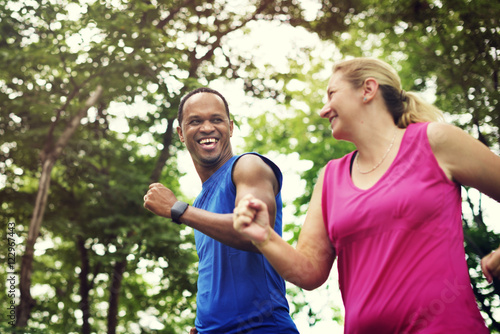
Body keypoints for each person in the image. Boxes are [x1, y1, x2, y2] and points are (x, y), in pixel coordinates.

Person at [233, 57, 500, 333]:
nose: (324, 111)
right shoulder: (330, 177)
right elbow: (310, 272)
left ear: (368, 89)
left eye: (331, 94)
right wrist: (265, 236)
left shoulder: (434, 141)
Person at [143, 87, 299, 334]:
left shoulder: (248, 166)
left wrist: (178, 209)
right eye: (195, 121)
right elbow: (220, 273)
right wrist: (205, 324)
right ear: (181, 134)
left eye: (216, 119)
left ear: (231, 127)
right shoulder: (202, 202)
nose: (207, 128)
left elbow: (256, 233)